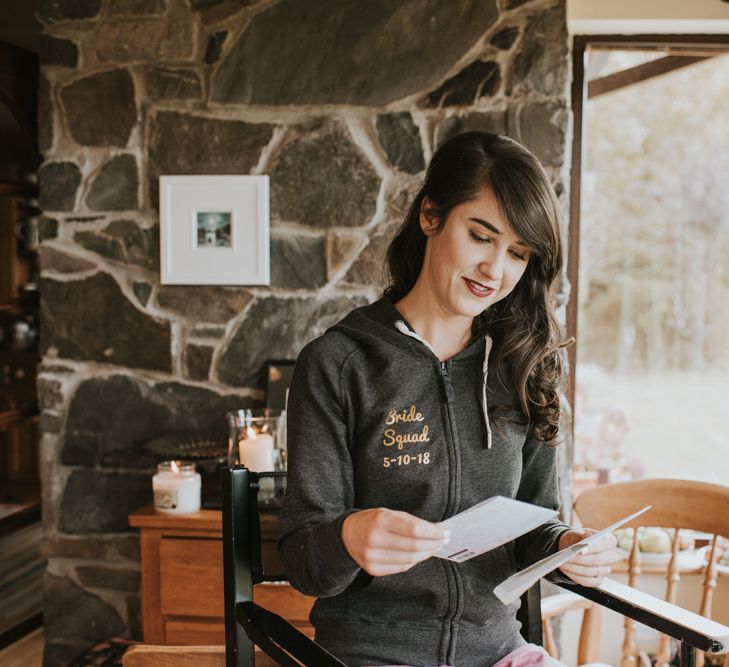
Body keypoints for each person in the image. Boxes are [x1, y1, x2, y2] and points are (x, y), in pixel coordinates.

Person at [278, 132, 619, 667]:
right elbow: (302, 559)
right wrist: (347, 538)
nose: (495, 270)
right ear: (431, 216)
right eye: (481, 236)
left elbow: (534, 527)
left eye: (518, 253)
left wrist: (564, 548)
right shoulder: (339, 364)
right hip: (370, 656)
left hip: (499, 654)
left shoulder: (522, 366)